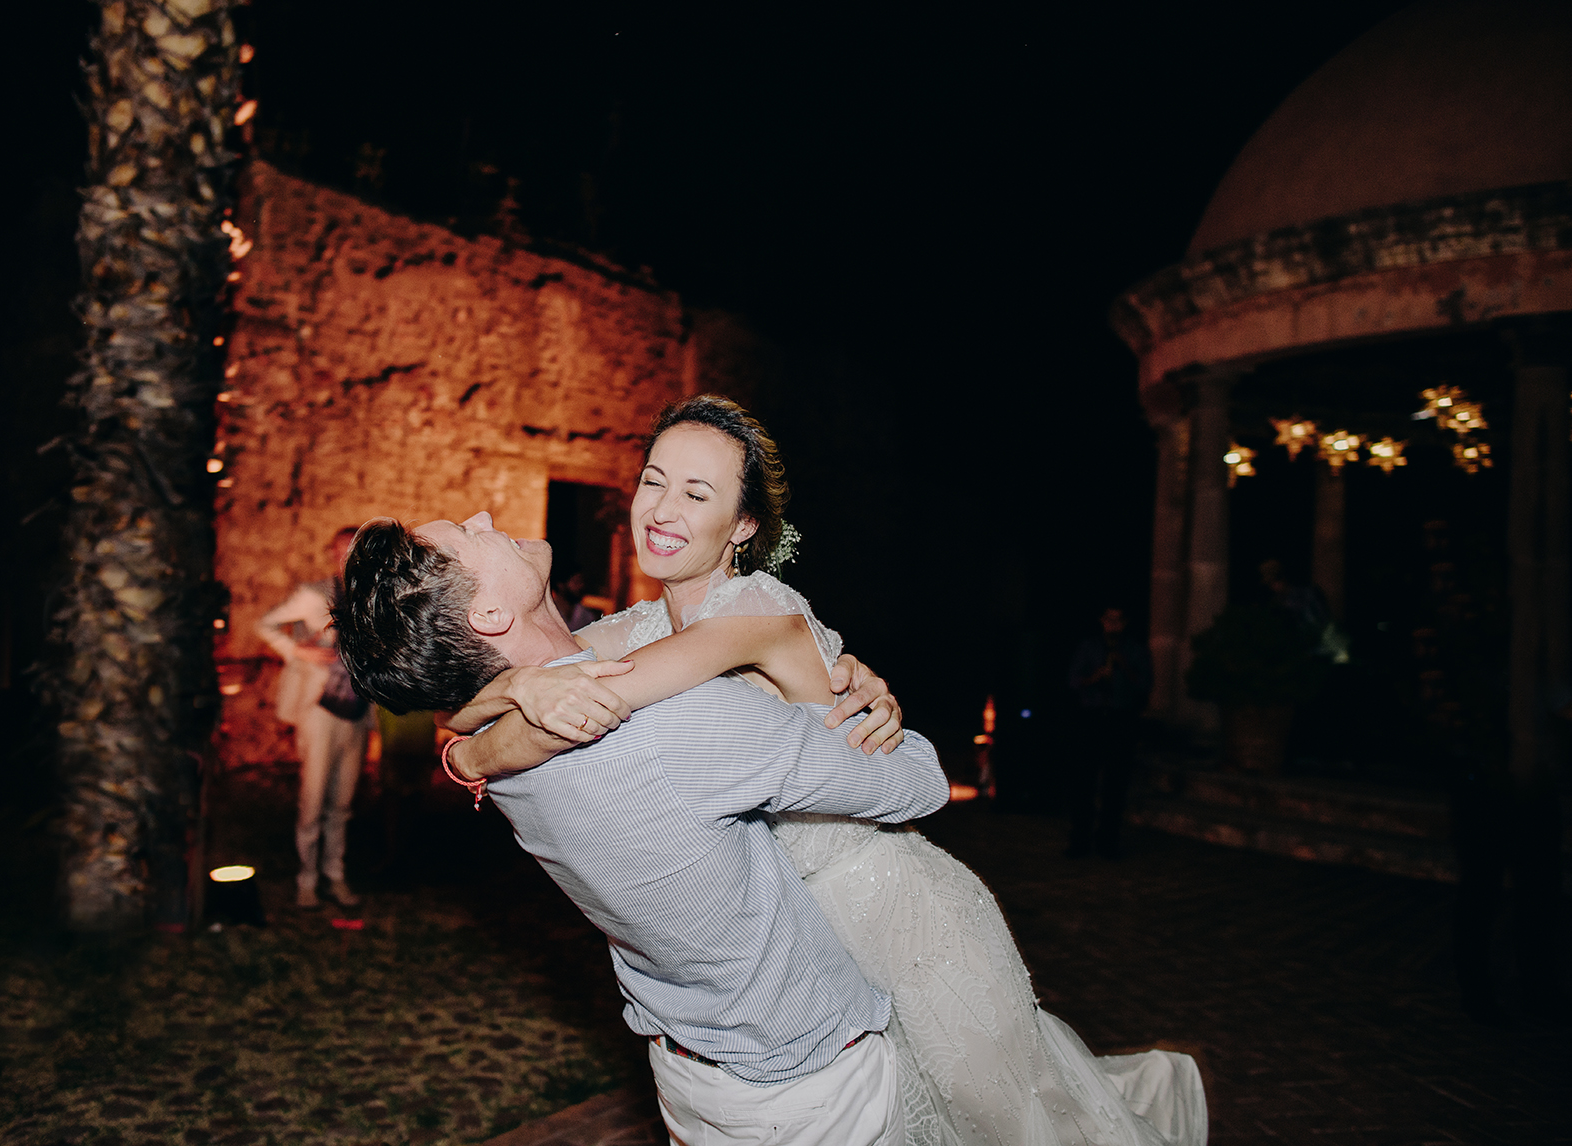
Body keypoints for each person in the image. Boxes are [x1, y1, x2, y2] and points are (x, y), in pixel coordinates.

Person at [438, 396, 1207, 1146]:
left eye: (696, 492)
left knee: (1010, 1117)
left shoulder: (756, 612)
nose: (662, 509)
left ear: (741, 526)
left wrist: (489, 730)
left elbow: (573, 694)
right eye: (653, 480)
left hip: (893, 912)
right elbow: (473, 696)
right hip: (802, 945)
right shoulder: (634, 628)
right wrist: (511, 696)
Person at [338, 513, 944, 1145]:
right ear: (489, 616)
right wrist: (843, 700)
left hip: (685, 1068)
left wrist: (512, 691)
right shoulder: (674, 725)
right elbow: (918, 782)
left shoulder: (501, 743)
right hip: (809, 1082)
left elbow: (454, 723)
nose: (485, 517)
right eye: (467, 534)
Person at [256, 526, 372, 909]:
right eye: (340, 552)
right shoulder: (314, 594)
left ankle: (334, 875)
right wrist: (297, 651)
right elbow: (266, 623)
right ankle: (306, 879)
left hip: (356, 709)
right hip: (318, 708)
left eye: (353, 552)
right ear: (331, 554)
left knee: (342, 801)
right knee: (313, 797)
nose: (346, 559)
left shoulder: (371, 598)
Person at [1065, 607, 1153, 861]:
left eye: (1118, 619)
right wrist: (1095, 677)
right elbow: (1072, 680)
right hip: (1091, 720)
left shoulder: (1135, 649)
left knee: (1116, 784)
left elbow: (1145, 685)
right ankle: (1080, 840)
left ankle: (1108, 842)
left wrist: (1124, 667)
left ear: (1124, 623)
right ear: (1101, 622)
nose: (1113, 624)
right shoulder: (1089, 647)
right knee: (1083, 782)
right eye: (1108, 619)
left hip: (1120, 720)